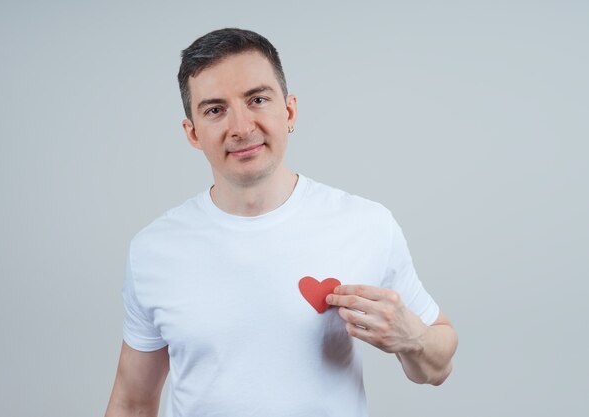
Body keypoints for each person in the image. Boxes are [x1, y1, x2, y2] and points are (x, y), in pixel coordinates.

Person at [105, 28, 458, 417]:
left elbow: (438, 365)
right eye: (215, 110)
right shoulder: (153, 249)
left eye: (257, 99)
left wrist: (413, 339)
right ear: (192, 133)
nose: (241, 127)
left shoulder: (367, 224)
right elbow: (133, 403)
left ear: (288, 112)